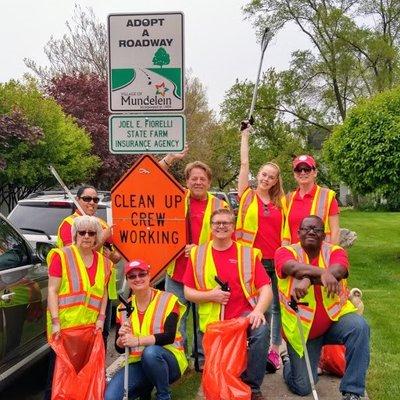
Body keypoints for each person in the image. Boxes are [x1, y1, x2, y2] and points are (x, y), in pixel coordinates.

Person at [275, 215, 370, 400]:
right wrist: (322, 274)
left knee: (360, 327)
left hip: (334, 321)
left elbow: (339, 271)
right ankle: (287, 361)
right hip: (304, 330)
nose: (311, 231)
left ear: (324, 235)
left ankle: (352, 391)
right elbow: (293, 268)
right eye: (306, 228)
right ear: (298, 233)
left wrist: (308, 280)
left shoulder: (335, 251)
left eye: (317, 229)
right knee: (302, 387)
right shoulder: (284, 251)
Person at [183, 208, 273, 400]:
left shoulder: (247, 253)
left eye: (226, 223)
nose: (221, 226)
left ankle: (253, 388)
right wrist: (211, 295)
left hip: (243, 317)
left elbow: (266, 288)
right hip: (214, 323)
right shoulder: (197, 254)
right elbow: (187, 292)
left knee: (262, 330)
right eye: (217, 223)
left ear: (233, 227)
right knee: (218, 377)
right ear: (211, 227)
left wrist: (257, 311)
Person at [160, 155, 228, 357]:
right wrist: (171, 158)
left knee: (205, 318)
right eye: (194, 178)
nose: (198, 182)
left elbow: (225, 238)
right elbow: (156, 176)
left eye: (202, 179)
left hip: (205, 273)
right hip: (177, 272)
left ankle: (202, 357)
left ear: (209, 182)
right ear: (187, 181)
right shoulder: (176, 198)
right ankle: (180, 358)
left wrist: (198, 250)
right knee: (176, 318)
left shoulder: (220, 206)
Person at [236, 120, 286, 373]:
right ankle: (251, 347)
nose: (266, 178)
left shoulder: (281, 202)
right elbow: (244, 164)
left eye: (271, 176)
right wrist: (245, 135)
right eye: (263, 174)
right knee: (251, 305)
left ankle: (275, 351)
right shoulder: (246, 194)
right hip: (251, 261)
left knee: (277, 306)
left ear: (277, 180)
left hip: (276, 261)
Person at [46, 215, 111, 398]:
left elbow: (103, 293)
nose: (87, 236)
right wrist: (56, 322)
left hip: (90, 329)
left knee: (85, 376)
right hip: (65, 329)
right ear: (75, 234)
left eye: (91, 233)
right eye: (82, 232)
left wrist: (101, 318)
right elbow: (52, 290)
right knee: (58, 377)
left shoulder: (105, 263)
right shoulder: (62, 256)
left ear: (97, 237)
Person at [105, 259, 187, 400]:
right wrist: (121, 339)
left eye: (142, 274)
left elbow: (169, 337)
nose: (137, 279)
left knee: (151, 352)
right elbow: (119, 348)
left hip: (168, 362)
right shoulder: (123, 308)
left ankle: (163, 395)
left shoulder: (168, 300)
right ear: (127, 280)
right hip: (138, 363)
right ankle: (144, 390)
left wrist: (136, 340)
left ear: (149, 276)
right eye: (132, 276)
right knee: (111, 397)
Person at [57, 184, 121, 345]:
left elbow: (118, 254)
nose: (92, 202)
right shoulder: (69, 224)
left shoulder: (101, 223)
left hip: (101, 290)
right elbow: (75, 256)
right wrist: (101, 239)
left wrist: (113, 256)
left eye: (95, 199)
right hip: (77, 295)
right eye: (87, 199)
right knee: (77, 340)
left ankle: (98, 371)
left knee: (101, 336)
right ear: (77, 200)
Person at [283, 155, 340, 245]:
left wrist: (331, 255)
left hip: (320, 255)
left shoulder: (328, 196)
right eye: (298, 170)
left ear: (315, 172)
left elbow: (335, 231)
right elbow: (285, 232)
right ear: (294, 174)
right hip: (294, 255)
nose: (302, 172)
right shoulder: (288, 199)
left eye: (307, 169)